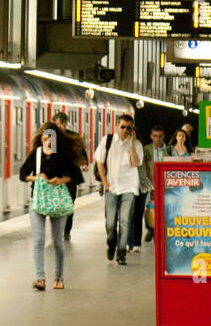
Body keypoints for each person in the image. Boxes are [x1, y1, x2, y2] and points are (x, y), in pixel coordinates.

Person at [19, 123, 77, 290]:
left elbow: (74, 176)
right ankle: (40, 278)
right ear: (42, 138)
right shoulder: (36, 154)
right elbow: (23, 174)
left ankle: (59, 278)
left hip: (57, 200)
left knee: (58, 241)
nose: (48, 140)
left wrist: (59, 180)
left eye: (51, 137)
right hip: (38, 200)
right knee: (38, 239)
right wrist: (38, 178)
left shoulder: (64, 156)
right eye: (45, 137)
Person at [95, 114, 145, 265]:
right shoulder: (107, 141)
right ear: (117, 125)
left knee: (124, 221)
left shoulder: (136, 145)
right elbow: (99, 163)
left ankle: (121, 253)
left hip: (129, 187)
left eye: (128, 128)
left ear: (132, 129)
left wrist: (131, 145)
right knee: (110, 223)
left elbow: (136, 163)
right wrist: (105, 183)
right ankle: (111, 243)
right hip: (111, 186)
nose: (125, 130)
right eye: (122, 127)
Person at [51, 112, 87, 242]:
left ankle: (66, 231)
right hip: (55, 176)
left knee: (69, 205)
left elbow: (81, 152)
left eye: (62, 124)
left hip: (71, 176)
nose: (60, 126)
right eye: (57, 124)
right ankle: (57, 230)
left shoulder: (73, 136)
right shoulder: (50, 138)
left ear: (66, 124)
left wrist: (84, 163)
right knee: (56, 205)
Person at [141, 125, 172, 244]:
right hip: (150, 183)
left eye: (160, 136)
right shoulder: (146, 150)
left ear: (163, 136)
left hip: (165, 184)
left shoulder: (169, 150)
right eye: (154, 136)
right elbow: (144, 168)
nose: (157, 139)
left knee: (163, 208)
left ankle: (159, 230)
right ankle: (151, 229)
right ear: (151, 136)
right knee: (149, 208)